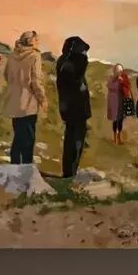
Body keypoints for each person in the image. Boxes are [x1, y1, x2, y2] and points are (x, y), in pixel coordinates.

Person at [0, 30, 46, 165]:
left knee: (18, 135)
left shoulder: (12, 55)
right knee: (28, 137)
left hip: (14, 100)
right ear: (31, 41)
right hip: (28, 102)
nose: (38, 42)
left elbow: (7, 75)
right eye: (36, 40)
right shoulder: (34, 56)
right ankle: (26, 166)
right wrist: (42, 99)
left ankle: (15, 163)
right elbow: (35, 82)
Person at [55, 35, 91, 177]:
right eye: (83, 51)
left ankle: (69, 172)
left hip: (70, 107)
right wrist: (81, 58)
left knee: (72, 140)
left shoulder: (64, 62)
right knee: (75, 142)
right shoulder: (71, 64)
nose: (85, 54)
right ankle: (70, 173)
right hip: (76, 109)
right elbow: (76, 79)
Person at [106, 64, 133, 145]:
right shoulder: (112, 78)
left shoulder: (123, 78)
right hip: (113, 102)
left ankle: (119, 138)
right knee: (115, 120)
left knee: (120, 120)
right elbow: (109, 86)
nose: (119, 72)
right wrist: (115, 79)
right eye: (118, 70)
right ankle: (115, 138)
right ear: (115, 71)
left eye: (121, 71)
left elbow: (128, 86)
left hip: (121, 102)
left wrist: (123, 81)